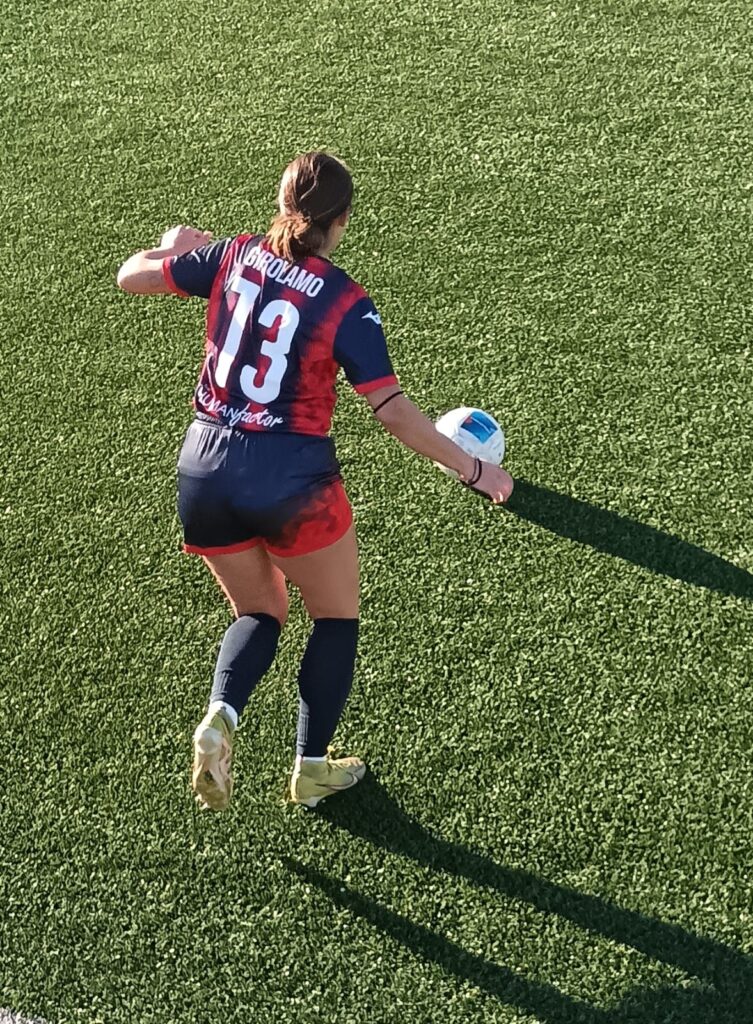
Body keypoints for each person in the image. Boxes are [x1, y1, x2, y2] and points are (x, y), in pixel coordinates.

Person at [116, 151, 514, 811]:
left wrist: (171, 248)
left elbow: (130, 276)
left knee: (258, 612)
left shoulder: (232, 254)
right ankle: (310, 769)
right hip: (291, 479)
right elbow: (394, 413)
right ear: (343, 220)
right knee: (333, 616)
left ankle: (221, 714)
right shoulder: (345, 301)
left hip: (204, 467)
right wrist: (474, 469)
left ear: (280, 204)